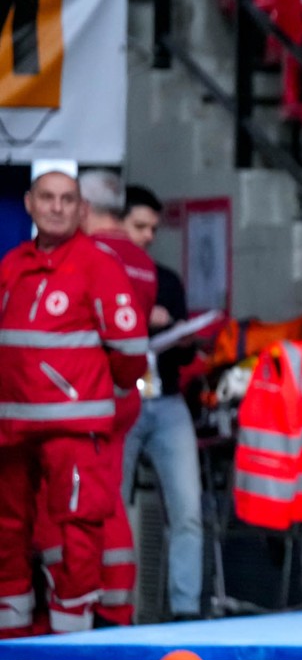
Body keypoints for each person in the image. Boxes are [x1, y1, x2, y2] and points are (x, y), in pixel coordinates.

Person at [0, 168, 147, 636]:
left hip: (75, 426)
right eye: (47, 197)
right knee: (7, 527)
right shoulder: (11, 265)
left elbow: (130, 351)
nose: (56, 207)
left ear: (82, 209)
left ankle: (71, 634)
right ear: (29, 203)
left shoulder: (99, 265)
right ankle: (10, 629)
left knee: (80, 528)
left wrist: (105, 394)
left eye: (67, 199)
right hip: (11, 425)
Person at [119, 186, 206, 621]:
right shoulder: (102, 275)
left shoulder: (166, 280)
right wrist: (140, 318)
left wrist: (181, 335)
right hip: (122, 399)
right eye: (140, 226)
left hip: (167, 397)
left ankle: (186, 608)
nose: (148, 236)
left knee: (188, 508)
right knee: (113, 507)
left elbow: (185, 353)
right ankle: (114, 605)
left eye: (154, 228)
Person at [79, 171, 158, 627]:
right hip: (124, 392)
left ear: (83, 208)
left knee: (86, 502)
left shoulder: (87, 256)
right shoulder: (143, 262)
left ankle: (95, 606)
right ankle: (116, 605)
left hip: (87, 395)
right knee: (111, 497)